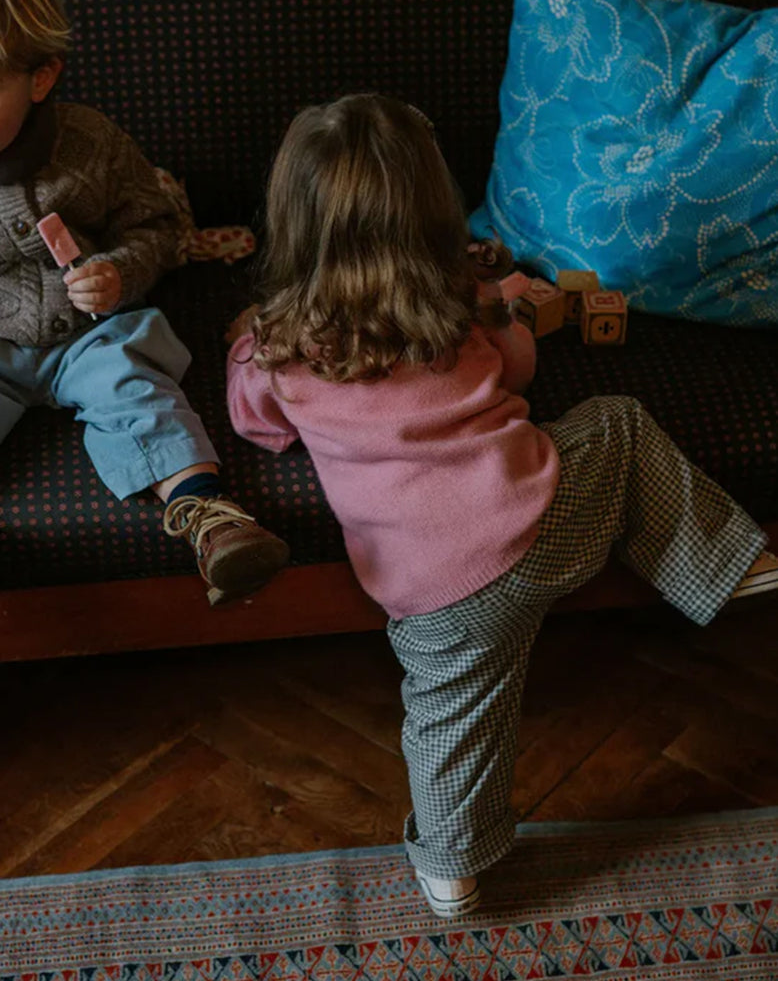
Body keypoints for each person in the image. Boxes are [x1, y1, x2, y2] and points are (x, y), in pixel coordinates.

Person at [226, 93, 778, 918]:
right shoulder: (452, 309)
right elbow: (517, 369)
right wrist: (507, 309)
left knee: (451, 723)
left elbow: (254, 426)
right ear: (430, 209)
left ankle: (451, 871)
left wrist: (249, 342)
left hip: (431, 592)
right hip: (541, 518)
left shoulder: (276, 349)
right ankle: (730, 565)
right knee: (616, 425)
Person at [0, 0, 289, 605]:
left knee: (133, 384)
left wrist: (117, 272)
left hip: (88, 334)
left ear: (41, 77)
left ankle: (208, 518)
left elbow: (157, 229)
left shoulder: (91, 143)